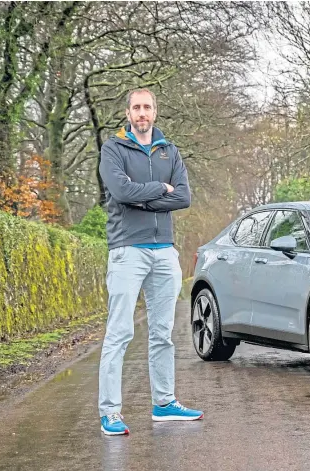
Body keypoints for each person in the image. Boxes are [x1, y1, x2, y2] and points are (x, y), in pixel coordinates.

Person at [97, 88, 201, 436]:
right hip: (127, 250)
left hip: (164, 251)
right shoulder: (114, 148)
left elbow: (183, 197)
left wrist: (144, 198)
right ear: (128, 113)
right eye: (136, 107)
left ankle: (164, 403)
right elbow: (121, 192)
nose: (142, 112)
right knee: (120, 332)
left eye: (148, 107)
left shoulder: (169, 150)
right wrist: (160, 188)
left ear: (155, 112)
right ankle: (110, 412)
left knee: (163, 333)